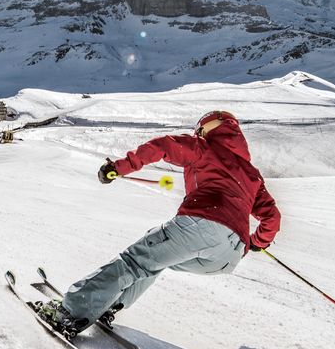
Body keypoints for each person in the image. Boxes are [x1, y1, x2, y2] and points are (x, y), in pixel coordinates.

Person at [36, 110, 281, 336]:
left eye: (201, 128)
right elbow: (272, 217)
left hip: (203, 223)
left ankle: (70, 313)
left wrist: (118, 168)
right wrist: (256, 242)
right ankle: (110, 303)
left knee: (135, 261)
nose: (198, 132)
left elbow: (164, 146)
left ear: (214, 127)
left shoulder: (205, 148)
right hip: (229, 256)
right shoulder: (252, 174)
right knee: (156, 260)